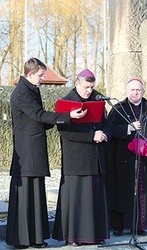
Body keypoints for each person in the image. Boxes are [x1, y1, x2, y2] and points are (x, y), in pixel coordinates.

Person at [6, 58, 86, 248]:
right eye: (41, 75)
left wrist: (65, 117)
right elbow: (39, 115)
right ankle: (24, 239)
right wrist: (67, 116)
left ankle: (34, 237)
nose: (42, 79)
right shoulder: (22, 92)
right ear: (31, 73)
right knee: (26, 194)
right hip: (26, 151)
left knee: (35, 193)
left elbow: (40, 118)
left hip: (33, 148)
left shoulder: (31, 89)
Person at [52, 68, 111, 246]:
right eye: (86, 87)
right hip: (77, 159)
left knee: (95, 198)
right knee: (78, 199)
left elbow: (107, 123)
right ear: (77, 83)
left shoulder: (97, 99)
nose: (89, 91)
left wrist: (104, 134)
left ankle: (96, 234)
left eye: (91, 87)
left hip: (96, 157)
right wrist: (91, 136)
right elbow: (65, 131)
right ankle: (75, 236)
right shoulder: (67, 101)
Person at [106, 78, 147, 236]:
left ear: (143, 91)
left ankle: (141, 224)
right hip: (122, 157)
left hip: (144, 158)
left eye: (138, 90)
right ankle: (119, 225)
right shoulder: (119, 108)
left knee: (142, 191)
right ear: (127, 91)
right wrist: (128, 128)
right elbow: (110, 129)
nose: (135, 93)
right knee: (122, 191)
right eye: (132, 90)